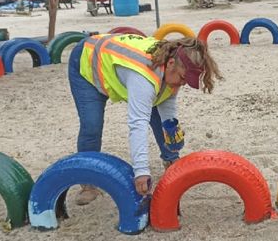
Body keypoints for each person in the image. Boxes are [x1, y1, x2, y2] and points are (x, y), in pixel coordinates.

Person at [68, 34, 222, 204]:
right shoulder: (143, 78)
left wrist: (173, 138)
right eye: (183, 78)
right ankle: (88, 184)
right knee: (92, 126)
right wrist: (141, 171)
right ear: (170, 64)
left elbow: (166, 105)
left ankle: (170, 161)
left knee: (158, 115)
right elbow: (137, 124)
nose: (182, 84)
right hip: (87, 62)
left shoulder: (171, 64)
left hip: (117, 61)